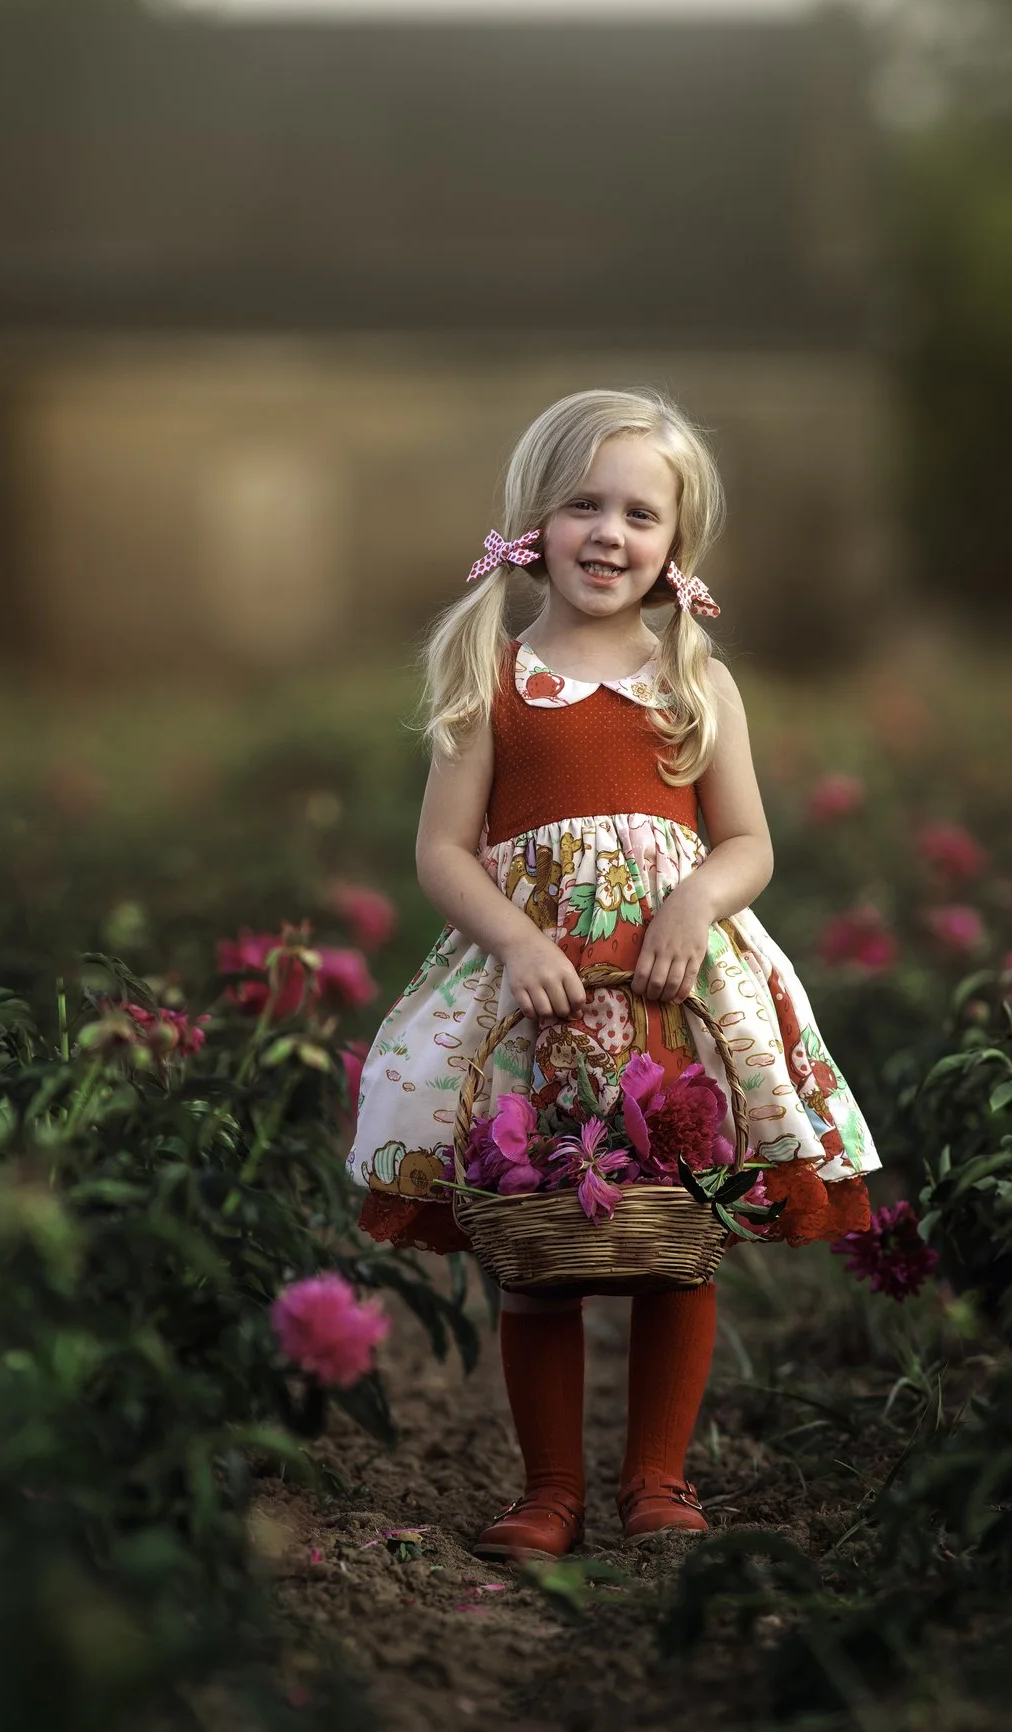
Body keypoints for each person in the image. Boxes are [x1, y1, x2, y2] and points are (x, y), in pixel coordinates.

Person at [346, 387, 879, 1561]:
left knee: (672, 1235)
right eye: (582, 504)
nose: (608, 533)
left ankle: (656, 1479)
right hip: (537, 999)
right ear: (531, 522)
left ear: (674, 545)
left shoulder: (695, 681)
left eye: (640, 513)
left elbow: (748, 841)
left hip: (669, 999)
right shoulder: (491, 676)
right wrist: (518, 940)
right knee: (540, 1232)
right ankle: (549, 1489)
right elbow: (441, 849)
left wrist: (695, 896)